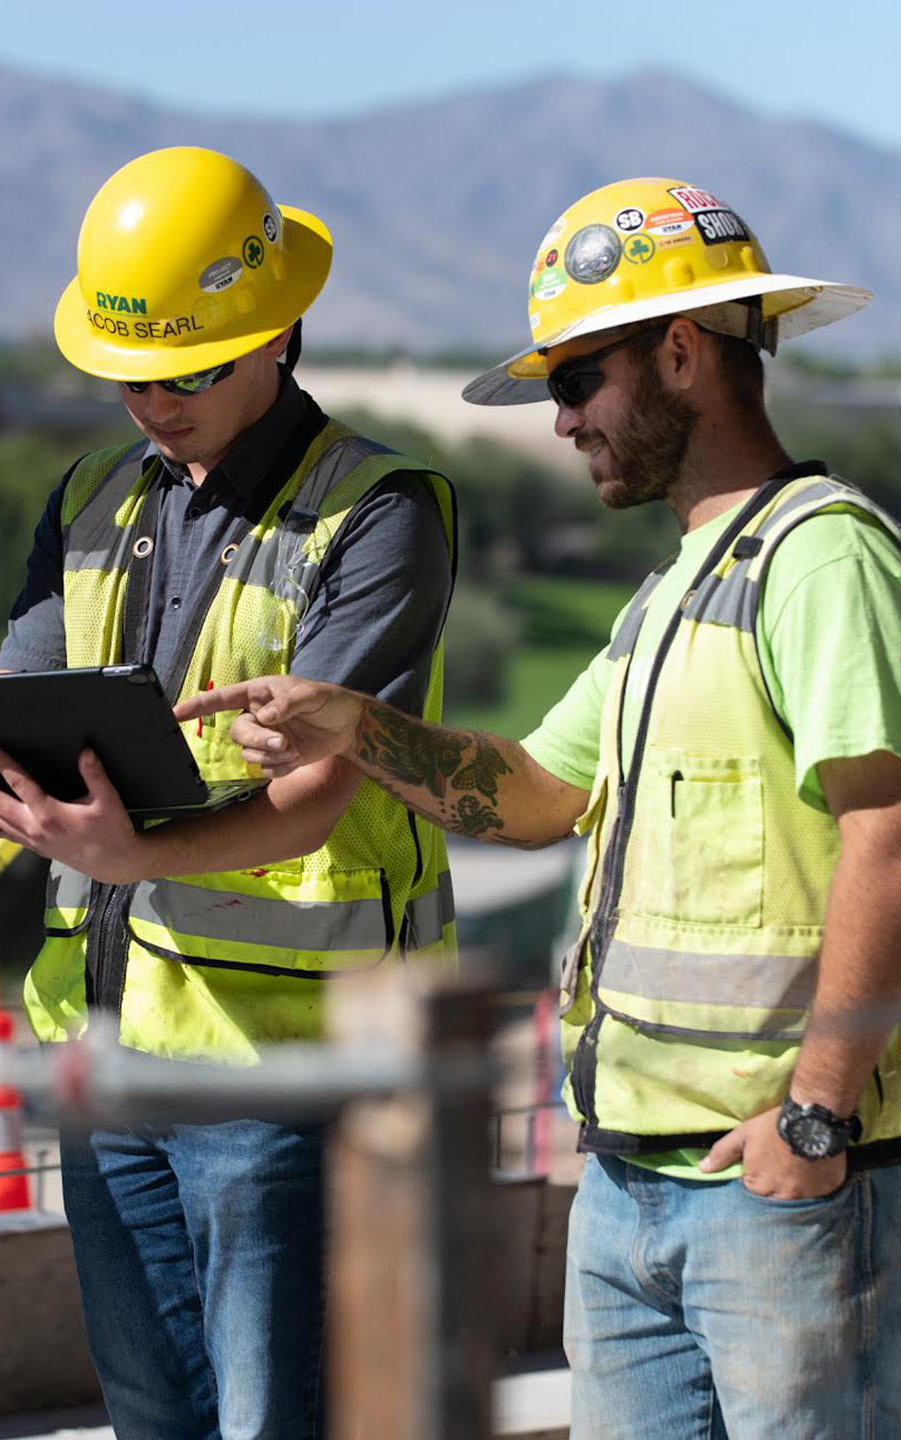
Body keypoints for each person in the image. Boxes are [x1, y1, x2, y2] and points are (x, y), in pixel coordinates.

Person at [177, 176, 901, 1439]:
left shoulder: (823, 559)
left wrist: (816, 1116)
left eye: (574, 381)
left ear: (681, 354)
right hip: (634, 1186)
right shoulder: (673, 592)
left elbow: (889, 839)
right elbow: (532, 796)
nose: (561, 422)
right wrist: (354, 724)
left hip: (775, 1189)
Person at [0, 147, 457, 1440]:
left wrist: (127, 857)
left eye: (189, 370)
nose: (151, 403)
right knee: (151, 1422)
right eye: (128, 375)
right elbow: (21, 698)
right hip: (105, 1056)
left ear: (278, 334)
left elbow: (321, 796)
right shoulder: (89, 499)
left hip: (276, 1078)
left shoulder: (380, 515)